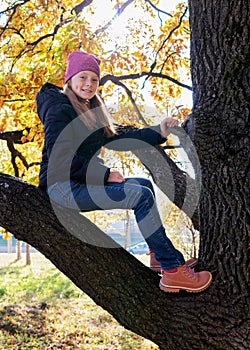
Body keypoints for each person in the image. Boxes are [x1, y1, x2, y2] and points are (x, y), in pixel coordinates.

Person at [36, 50, 212, 293]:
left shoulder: (88, 109)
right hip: (60, 187)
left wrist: (159, 131)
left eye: (94, 80)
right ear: (70, 79)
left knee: (143, 185)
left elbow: (122, 136)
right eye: (83, 77)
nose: (89, 84)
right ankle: (173, 271)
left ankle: (159, 256)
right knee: (140, 196)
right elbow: (60, 159)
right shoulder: (59, 109)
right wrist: (104, 176)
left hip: (76, 181)